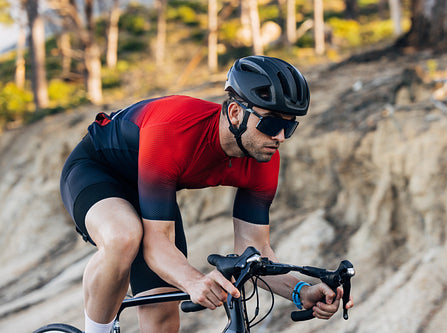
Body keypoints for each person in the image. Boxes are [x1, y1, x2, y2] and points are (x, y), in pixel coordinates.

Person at [60, 55, 353, 333]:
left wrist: (301, 291)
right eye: (272, 124)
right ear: (236, 112)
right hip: (96, 169)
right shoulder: (174, 129)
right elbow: (156, 243)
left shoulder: (263, 158)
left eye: (289, 127)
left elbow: (252, 250)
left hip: (152, 187)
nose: (279, 137)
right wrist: (194, 280)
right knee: (123, 236)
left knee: (163, 314)